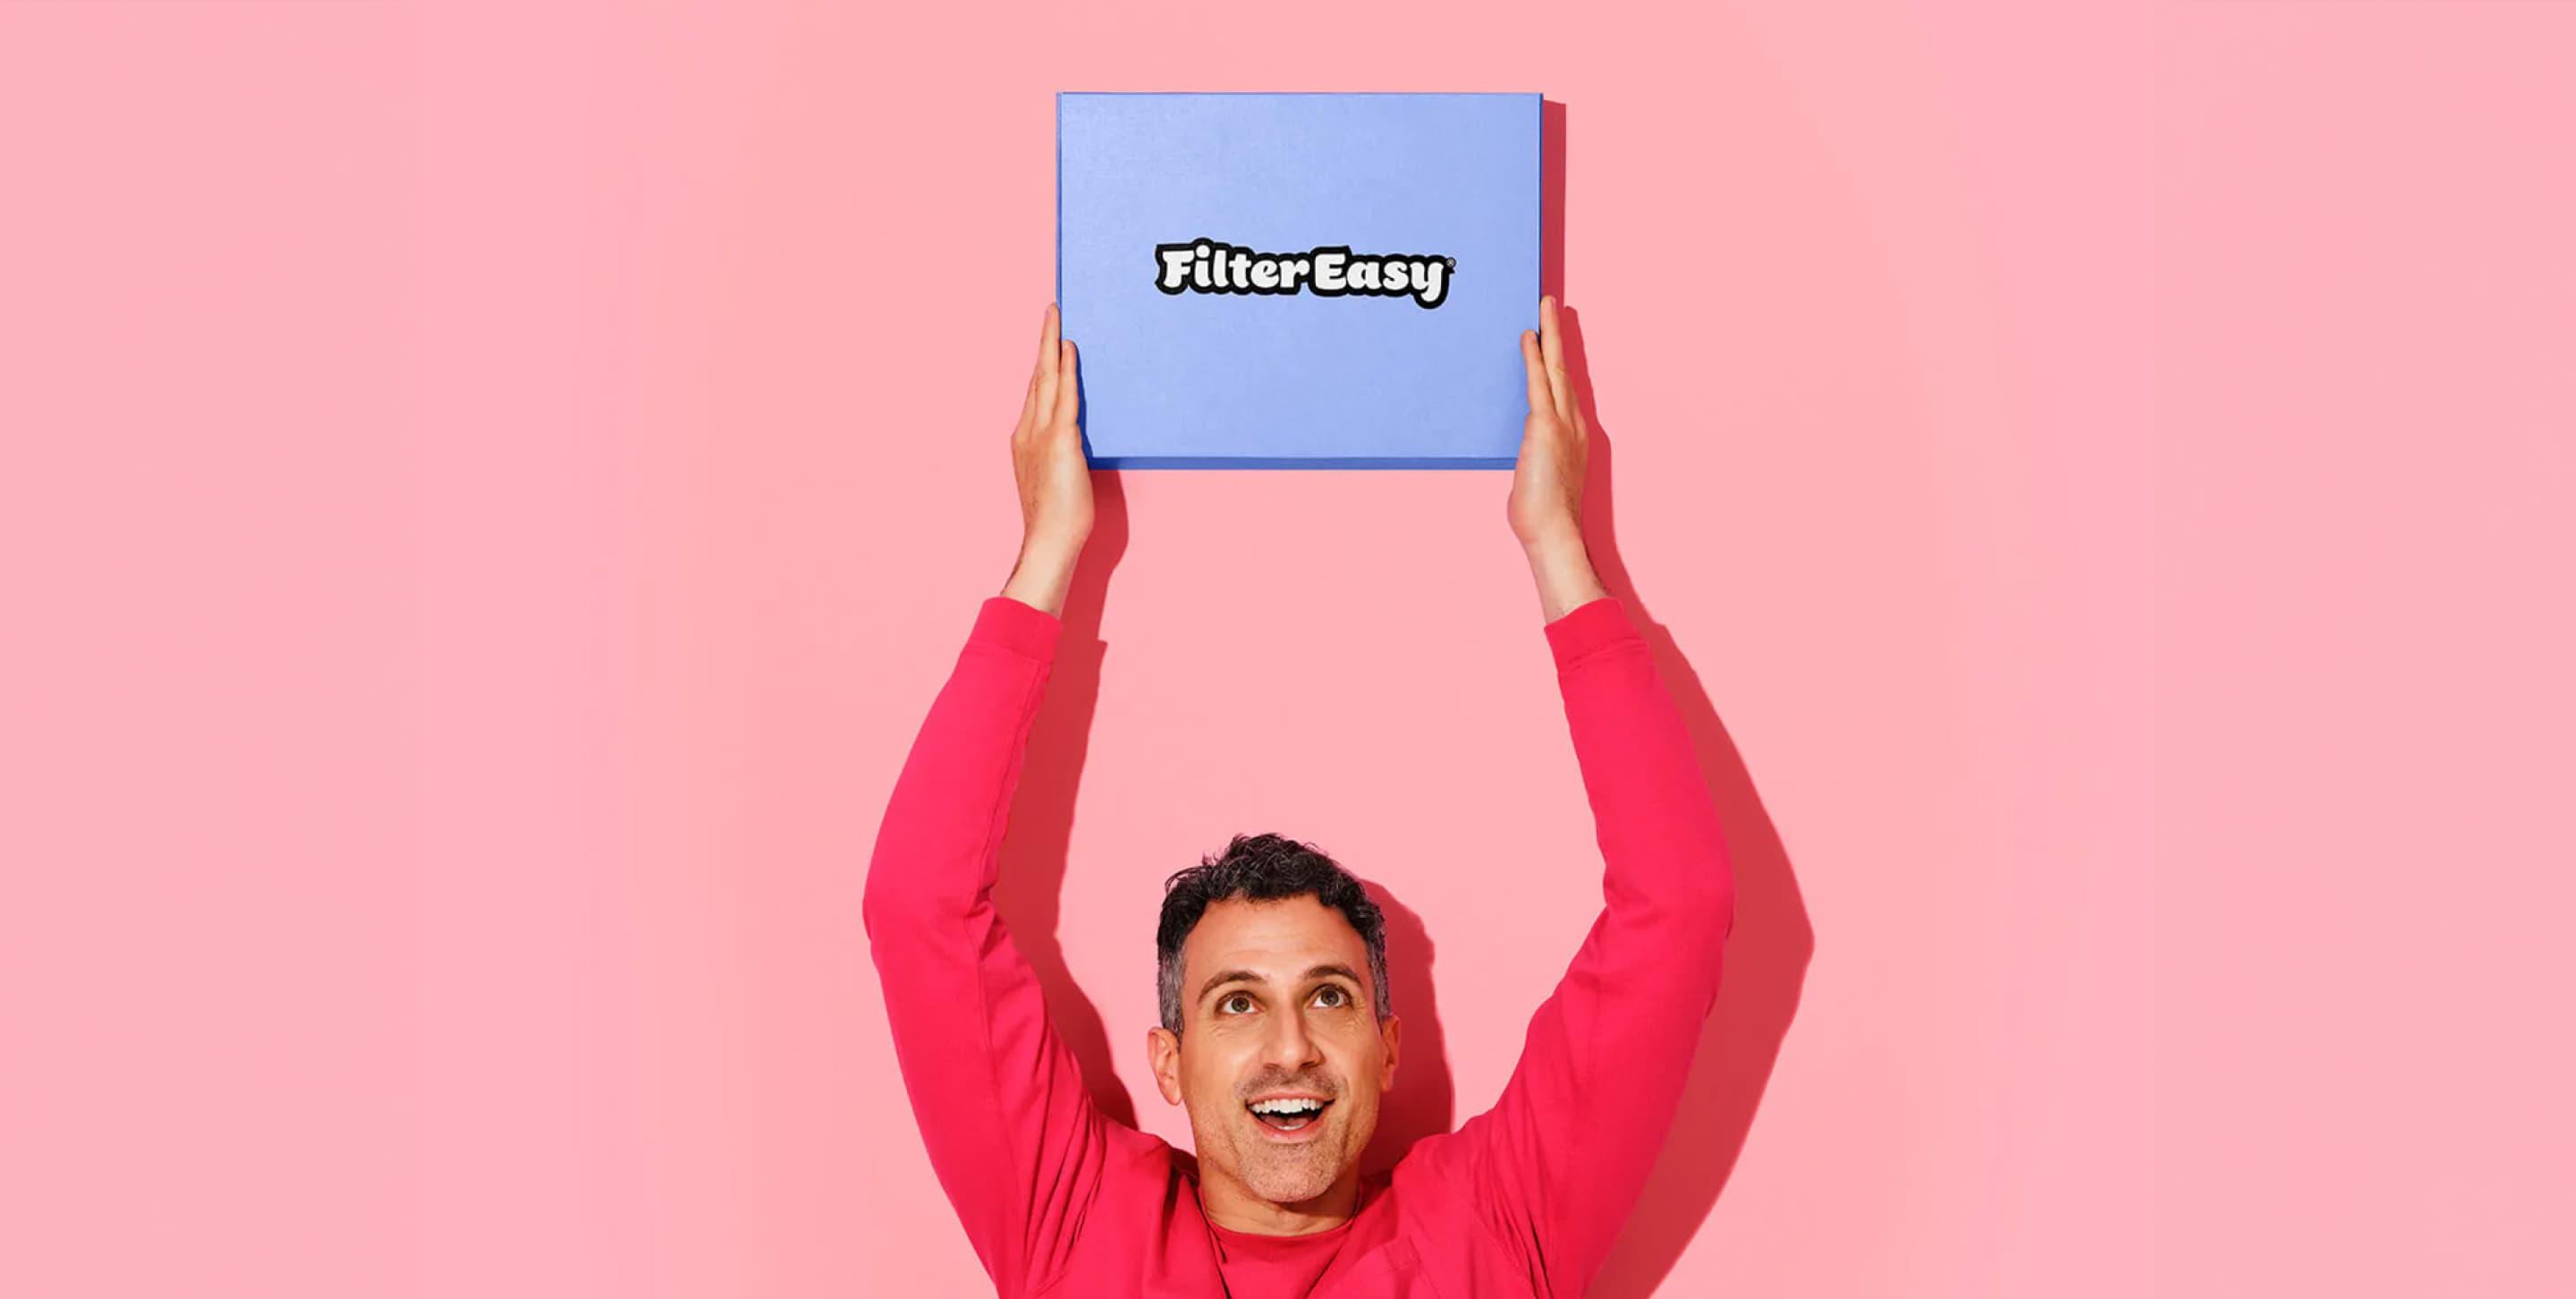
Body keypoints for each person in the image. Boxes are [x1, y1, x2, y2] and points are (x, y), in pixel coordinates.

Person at [864, 296, 1736, 1296]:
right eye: (1237, 1003)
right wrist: (1048, 548)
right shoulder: (1076, 1220)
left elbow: (1681, 907)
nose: (1291, 1049)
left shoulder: (1493, 1224)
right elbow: (917, 908)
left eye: (1330, 997)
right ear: (1169, 1061)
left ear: (1387, 1048)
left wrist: (1556, 544)